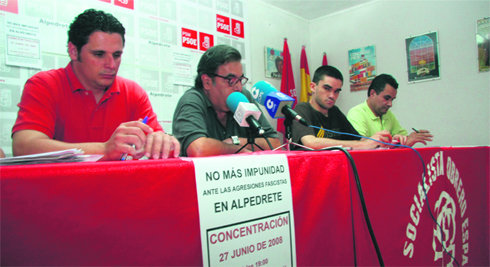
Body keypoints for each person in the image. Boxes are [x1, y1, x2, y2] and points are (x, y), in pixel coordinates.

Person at [12, 9, 180, 161]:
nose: (111, 65)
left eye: (117, 55)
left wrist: (164, 142)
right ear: (73, 51)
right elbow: (23, 147)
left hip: (118, 191)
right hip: (60, 192)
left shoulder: (133, 92)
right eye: (99, 54)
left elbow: (158, 138)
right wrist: (104, 149)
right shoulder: (44, 85)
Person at [172, 44, 281, 157]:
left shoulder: (242, 96)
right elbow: (198, 149)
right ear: (207, 82)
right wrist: (237, 150)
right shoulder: (192, 100)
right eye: (231, 80)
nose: (238, 87)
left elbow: (275, 143)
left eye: (240, 79)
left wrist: (239, 141)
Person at [291, 65, 391, 150]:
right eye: (327, 88)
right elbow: (311, 142)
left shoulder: (334, 111)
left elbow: (358, 139)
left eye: (336, 91)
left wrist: (381, 140)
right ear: (313, 87)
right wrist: (362, 145)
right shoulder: (302, 109)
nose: (332, 95)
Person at [347, 74, 433, 146]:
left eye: (392, 99)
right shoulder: (356, 113)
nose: (390, 104)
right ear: (372, 93)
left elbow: (402, 137)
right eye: (387, 98)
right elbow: (362, 146)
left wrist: (404, 138)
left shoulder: (387, 114)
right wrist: (395, 143)